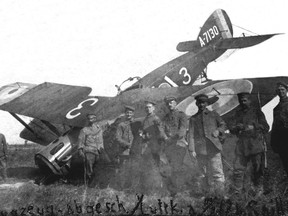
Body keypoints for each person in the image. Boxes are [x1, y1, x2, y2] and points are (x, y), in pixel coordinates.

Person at [230, 92, 269, 195]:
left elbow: (266, 126)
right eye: (241, 101)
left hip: (255, 144)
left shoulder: (257, 112)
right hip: (242, 146)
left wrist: (254, 126)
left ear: (249, 100)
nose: (242, 103)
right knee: (238, 169)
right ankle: (237, 192)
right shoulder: (237, 113)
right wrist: (236, 128)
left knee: (257, 168)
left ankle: (258, 190)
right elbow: (231, 128)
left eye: (245, 100)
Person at [187, 94, 226, 195]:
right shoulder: (193, 119)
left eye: (203, 102)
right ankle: (207, 195)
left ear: (207, 103)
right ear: (196, 104)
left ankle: (220, 195)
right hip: (201, 150)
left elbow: (222, 124)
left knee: (217, 173)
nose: (201, 104)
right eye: (199, 103)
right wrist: (192, 150)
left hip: (214, 148)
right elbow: (191, 135)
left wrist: (218, 131)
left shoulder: (214, 114)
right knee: (203, 174)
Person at [162, 96, 188, 193]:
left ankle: (178, 189)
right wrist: (165, 138)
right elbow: (162, 129)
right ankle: (173, 189)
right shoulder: (165, 117)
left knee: (177, 167)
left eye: (171, 102)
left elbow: (182, 131)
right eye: (168, 103)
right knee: (171, 167)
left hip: (179, 145)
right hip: (168, 146)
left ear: (175, 103)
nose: (169, 105)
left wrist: (170, 139)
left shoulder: (182, 115)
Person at [140, 100, 168, 166]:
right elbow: (142, 130)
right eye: (146, 107)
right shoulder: (145, 120)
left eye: (149, 107)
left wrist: (165, 139)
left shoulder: (156, 119)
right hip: (147, 144)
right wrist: (141, 134)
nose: (148, 109)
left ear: (153, 108)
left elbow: (161, 131)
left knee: (158, 161)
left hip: (156, 143)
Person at [78, 113, 104, 184]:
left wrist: (102, 149)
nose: (90, 120)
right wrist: (80, 151)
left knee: (98, 167)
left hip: (98, 150)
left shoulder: (99, 128)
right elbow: (81, 141)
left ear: (95, 119)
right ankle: (90, 182)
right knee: (89, 167)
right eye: (89, 119)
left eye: (92, 118)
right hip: (89, 151)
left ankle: (96, 181)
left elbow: (101, 140)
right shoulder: (84, 130)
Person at [271, 82, 288, 176]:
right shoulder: (276, 108)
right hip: (282, 140)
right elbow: (275, 125)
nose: (281, 91)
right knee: (286, 164)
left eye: (283, 89)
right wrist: (273, 142)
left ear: (286, 90)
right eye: (279, 90)